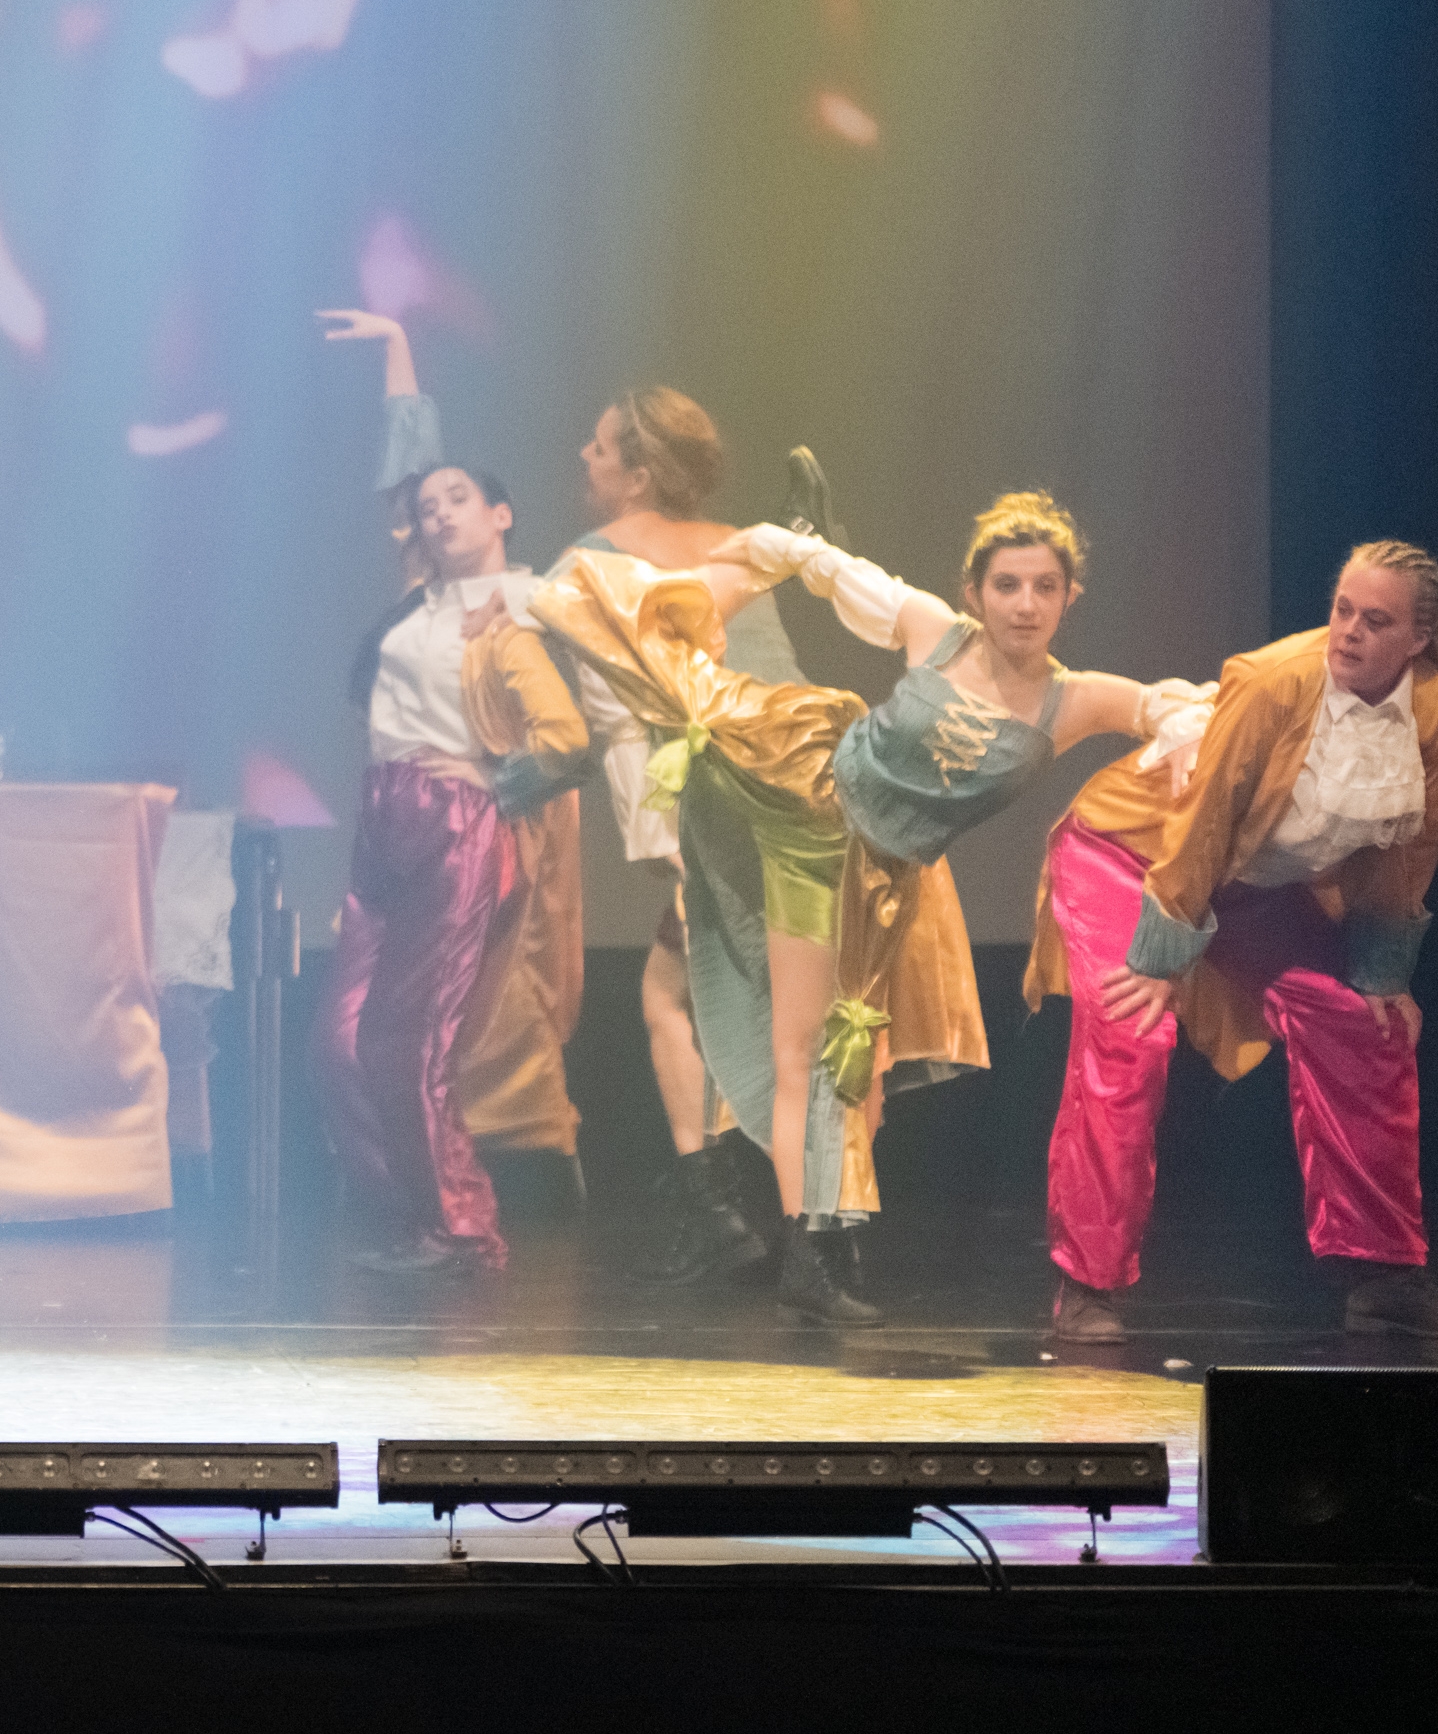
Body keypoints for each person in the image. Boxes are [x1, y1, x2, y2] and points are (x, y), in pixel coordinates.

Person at [531, 490, 1195, 1321]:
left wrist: (1185, 727)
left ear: (1070, 597)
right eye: (1006, 584)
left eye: (1044, 586)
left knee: (858, 1069)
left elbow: (1169, 702)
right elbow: (822, 566)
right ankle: (808, 1255)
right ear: (974, 591)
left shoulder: (1074, 699)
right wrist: (762, 554)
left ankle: (828, 1232)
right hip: (807, 806)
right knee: (803, 1047)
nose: (1025, 604)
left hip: (884, 878)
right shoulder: (934, 629)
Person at [1030, 542, 1438, 1343]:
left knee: (1366, 1022)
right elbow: (1203, 817)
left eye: (1375, 620)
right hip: (1133, 851)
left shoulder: (1430, 717)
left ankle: (1383, 1273)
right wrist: (1163, 957)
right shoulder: (1273, 680)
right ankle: (1086, 1282)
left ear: (1418, 640)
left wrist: (1383, 971)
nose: (1349, 631)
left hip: (1249, 882)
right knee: (1132, 1029)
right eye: (1342, 610)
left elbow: (1411, 848)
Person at [316, 312, 588, 1274]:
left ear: (501, 515)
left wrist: (491, 794)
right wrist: (397, 345)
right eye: (429, 508)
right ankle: (407, 1205)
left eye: (459, 500)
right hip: (384, 818)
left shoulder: (522, 608)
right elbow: (408, 471)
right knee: (340, 1041)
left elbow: (567, 739)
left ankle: (462, 1225)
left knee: (412, 1039)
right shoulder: (420, 595)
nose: (437, 514)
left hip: (457, 823)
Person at [564, 387, 816, 1283]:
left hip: (713, 798)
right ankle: (788, 1219)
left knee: (680, 998)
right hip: (794, 784)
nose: (584, 457)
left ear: (639, 473)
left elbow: (617, 712)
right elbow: (781, 682)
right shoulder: (738, 543)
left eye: (600, 447)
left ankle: (726, 1209)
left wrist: (659, 838)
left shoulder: (594, 558)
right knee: (752, 1001)